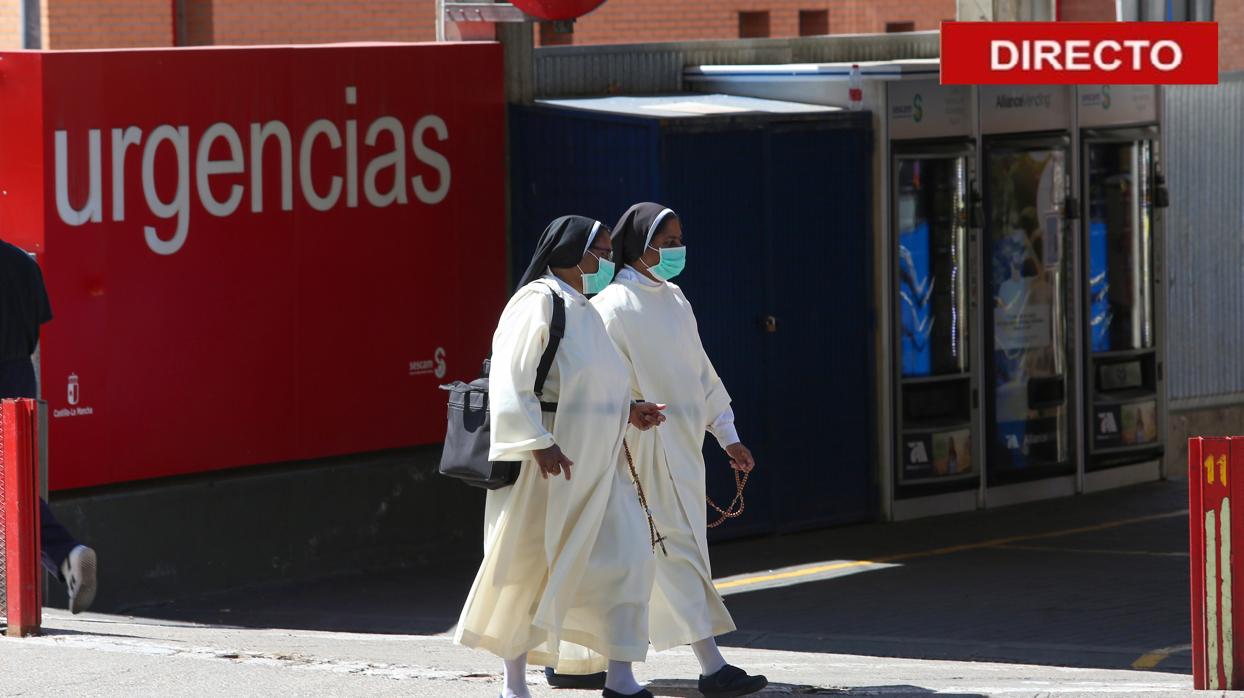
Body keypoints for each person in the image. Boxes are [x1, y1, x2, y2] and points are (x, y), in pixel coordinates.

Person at [546, 203, 768, 697]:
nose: (676, 251)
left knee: (630, 560)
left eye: (678, 241)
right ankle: (712, 666)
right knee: (676, 549)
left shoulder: (676, 299)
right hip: (640, 453)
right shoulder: (613, 304)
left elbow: (701, 372)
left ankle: (576, 661)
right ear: (640, 245)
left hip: (683, 449)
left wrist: (726, 433)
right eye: (666, 243)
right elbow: (600, 378)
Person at [454, 215, 668, 698]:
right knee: (526, 569)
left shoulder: (583, 306)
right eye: (603, 251)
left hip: (598, 467)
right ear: (571, 253)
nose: (610, 261)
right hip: (548, 467)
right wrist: (538, 442)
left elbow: (588, 380)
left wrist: (628, 411)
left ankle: (621, 676)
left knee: (630, 557)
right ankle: (514, 684)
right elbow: (513, 377)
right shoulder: (537, 302)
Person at [0, 238, 98, 614]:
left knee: (8, 490)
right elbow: (34, 332)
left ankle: (63, 553)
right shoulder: (24, 265)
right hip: (19, 376)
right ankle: (65, 553)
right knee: (14, 484)